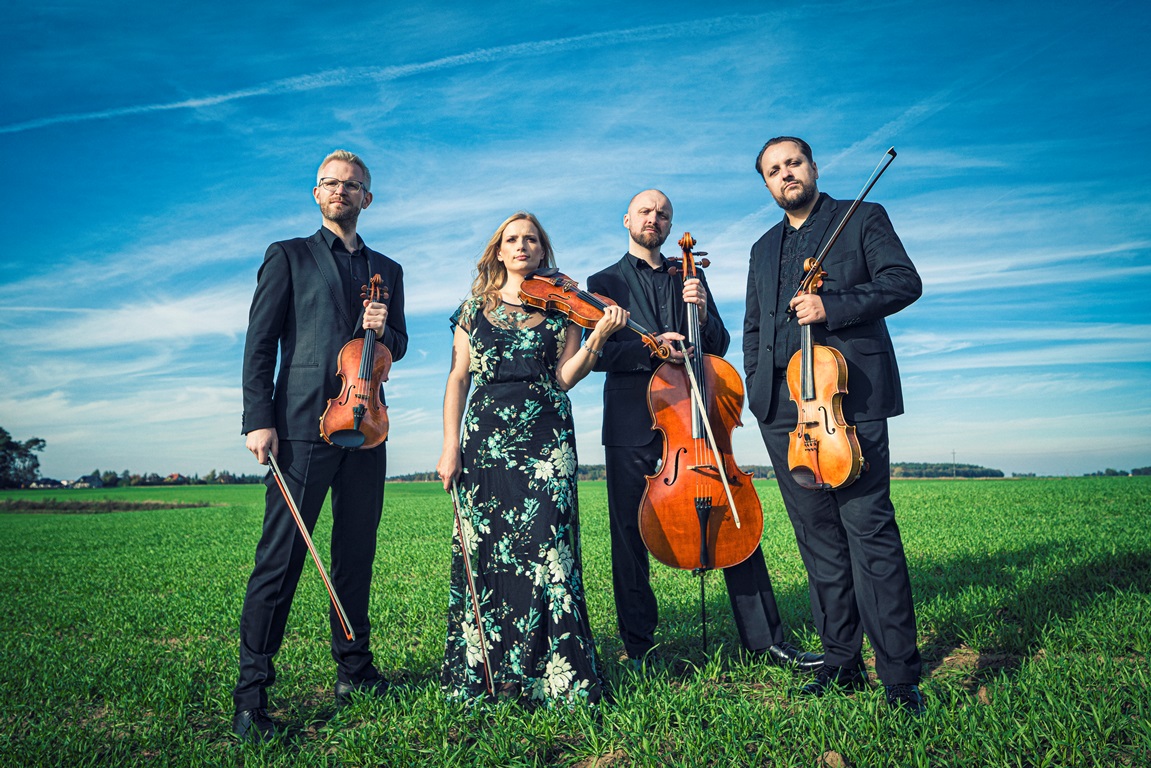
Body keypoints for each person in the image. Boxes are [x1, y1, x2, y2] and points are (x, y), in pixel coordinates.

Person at [585, 189, 823, 671]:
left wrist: (702, 308)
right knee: (629, 535)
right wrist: (653, 349)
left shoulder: (689, 273)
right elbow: (602, 355)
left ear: (671, 226)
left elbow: (717, 343)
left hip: (697, 418)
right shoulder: (602, 281)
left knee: (732, 514)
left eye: (663, 214)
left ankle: (766, 641)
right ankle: (639, 648)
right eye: (646, 211)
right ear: (627, 218)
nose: (654, 218)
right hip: (635, 417)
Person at [743, 136, 925, 714]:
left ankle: (899, 678)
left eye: (793, 163)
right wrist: (758, 391)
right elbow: (754, 326)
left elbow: (904, 283)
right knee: (817, 540)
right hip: (784, 412)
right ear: (767, 184)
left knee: (870, 533)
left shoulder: (861, 217)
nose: (785, 175)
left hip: (848, 402)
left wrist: (833, 306)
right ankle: (841, 660)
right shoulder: (761, 247)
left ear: (813, 167)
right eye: (773, 171)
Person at [234, 149, 408, 741]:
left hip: (367, 428)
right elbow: (260, 344)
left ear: (367, 197)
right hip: (302, 427)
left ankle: (354, 669)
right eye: (330, 184)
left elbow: (398, 347)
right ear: (316, 194)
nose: (341, 192)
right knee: (279, 563)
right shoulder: (288, 256)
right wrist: (259, 418)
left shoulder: (389, 267)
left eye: (352, 185)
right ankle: (251, 697)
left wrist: (385, 332)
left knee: (355, 556)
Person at [436, 212, 627, 706]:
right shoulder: (472, 308)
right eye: (512, 239)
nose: (522, 246)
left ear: (543, 251)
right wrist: (449, 445)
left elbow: (564, 377)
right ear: (498, 250)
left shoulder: (563, 308)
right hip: (485, 438)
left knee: (550, 551)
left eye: (532, 240)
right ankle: (488, 673)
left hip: (546, 437)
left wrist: (598, 339)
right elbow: (459, 378)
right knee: (487, 553)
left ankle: (555, 677)